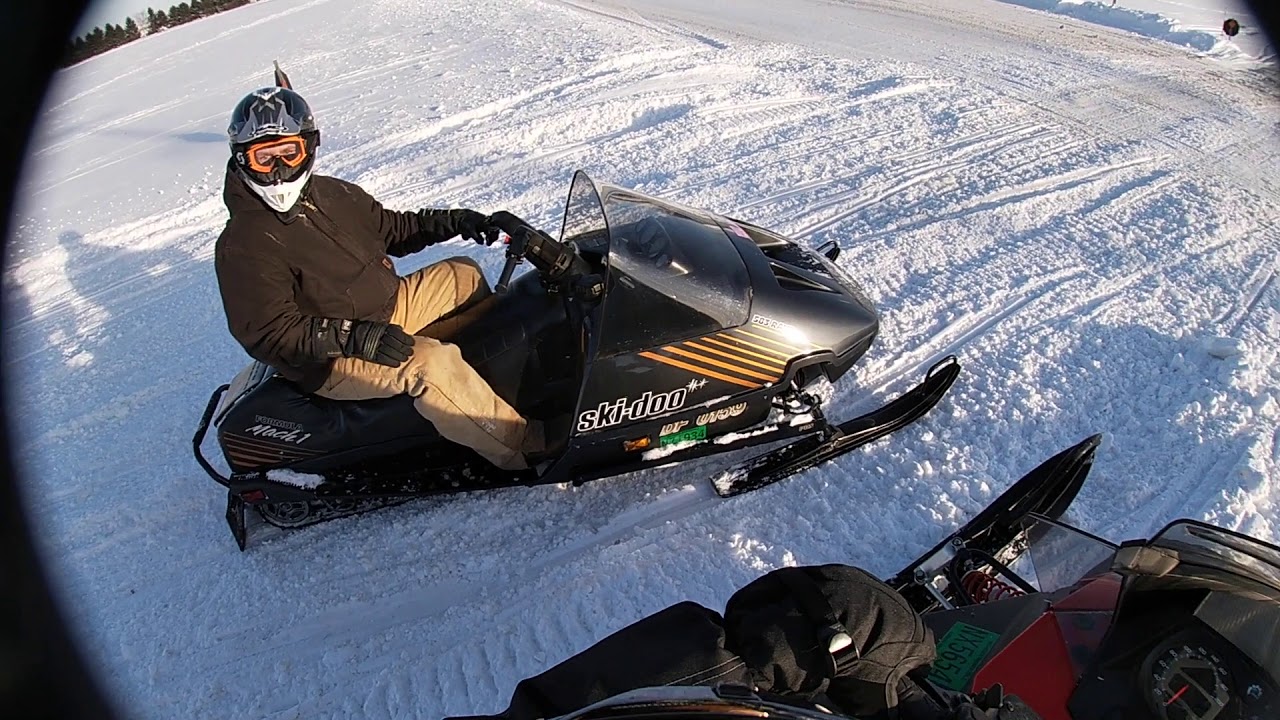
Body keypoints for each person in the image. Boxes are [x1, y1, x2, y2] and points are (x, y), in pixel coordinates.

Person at [213, 86, 542, 470]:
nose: (280, 169)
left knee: (461, 274)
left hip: (385, 311)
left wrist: (459, 221)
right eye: (264, 158)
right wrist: (354, 337)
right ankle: (520, 445)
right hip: (331, 357)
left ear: (309, 146)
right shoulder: (244, 241)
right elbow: (270, 333)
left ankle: (481, 386)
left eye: (289, 153)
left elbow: (392, 228)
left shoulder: (331, 193)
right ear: (242, 160)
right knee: (429, 363)